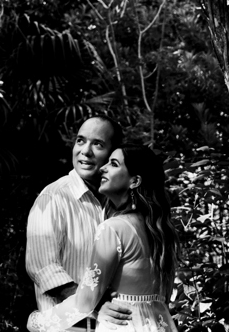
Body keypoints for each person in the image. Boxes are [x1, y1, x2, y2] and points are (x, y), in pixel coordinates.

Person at [26, 145, 180, 332]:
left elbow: (85, 301)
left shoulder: (114, 228)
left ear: (135, 181)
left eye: (114, 164)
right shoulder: (162, 231)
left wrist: (38, 322)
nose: (102, 168)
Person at [26, 115, 133, 330]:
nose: (85, 151)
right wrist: (95, 305)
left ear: (114, 155)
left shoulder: (120, 206)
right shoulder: (54, 197)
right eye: (80, 141)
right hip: (67, 327)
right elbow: (45, 269)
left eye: (98, 144)